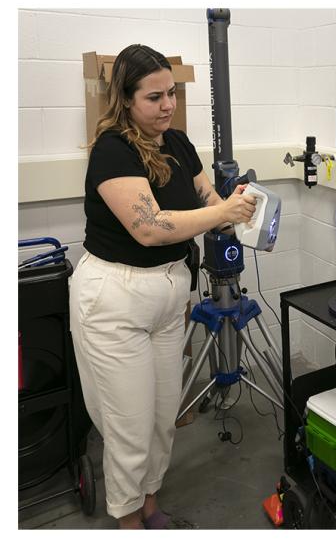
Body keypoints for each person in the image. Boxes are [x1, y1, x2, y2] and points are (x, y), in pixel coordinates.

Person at [70, 44, 257, 529]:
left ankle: (150, 506)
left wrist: (237, 206)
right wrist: (220, 214)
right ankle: (128, 521)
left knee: (160, 419)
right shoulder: (112, 149)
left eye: (171, 93)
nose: (168, 105)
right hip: (116, 297)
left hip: (169, 295)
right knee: (128, 426)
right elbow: (149, 227)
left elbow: (206, 197)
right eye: (154, 97)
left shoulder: (177, 143)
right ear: (126, 99)